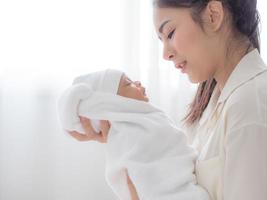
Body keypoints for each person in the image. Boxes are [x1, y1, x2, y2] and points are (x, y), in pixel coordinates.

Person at [68, 0, 267, 199]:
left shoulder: (250, 106)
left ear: (213, 15)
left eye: (170, 33)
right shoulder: (219, 98)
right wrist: (127, 138)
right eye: (161, 40)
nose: (165, 54)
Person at [58, 69, 210, 200]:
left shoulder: (146, 122)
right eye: (128, 83)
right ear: (113, 103)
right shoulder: (129, 135)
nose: (137, 82)